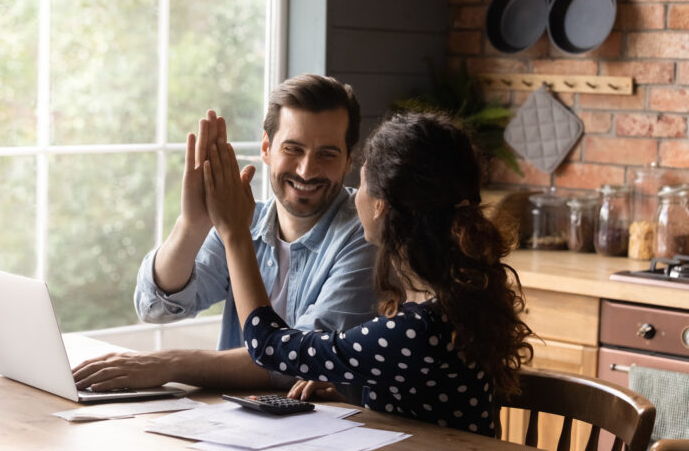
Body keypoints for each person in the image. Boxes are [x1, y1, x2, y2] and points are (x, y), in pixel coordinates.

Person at [201, 111, 534, 435]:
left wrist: (235, 234)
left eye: (360, 183)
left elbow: (267, 346)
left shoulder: (418, 329)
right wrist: (354, 396)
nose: (354, 195)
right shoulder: (448, 303)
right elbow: (424, 403)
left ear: (381, 204)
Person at [73, 74, 376, 391]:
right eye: (293, 148)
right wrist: (192, 224)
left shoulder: (365, 235)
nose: (306, 170)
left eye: (326, 154)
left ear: (348, 161)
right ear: (266, 148)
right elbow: (155, 307)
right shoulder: (245, 218)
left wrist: (169, 364)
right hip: (232, 419)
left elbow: (302, 361)